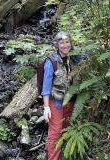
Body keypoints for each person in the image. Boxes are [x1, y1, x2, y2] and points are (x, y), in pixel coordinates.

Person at [41, 31, 78, 160]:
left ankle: (63, 154)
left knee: (67, 129)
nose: (65, 45)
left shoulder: (74, 57)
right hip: (55, 101)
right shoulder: (51, 61)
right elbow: (45, 88)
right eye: (61, 43)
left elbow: (89, 57)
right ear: (56, 45)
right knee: (56, 132)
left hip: (71, 100)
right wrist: (46, 108)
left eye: (67, 42)